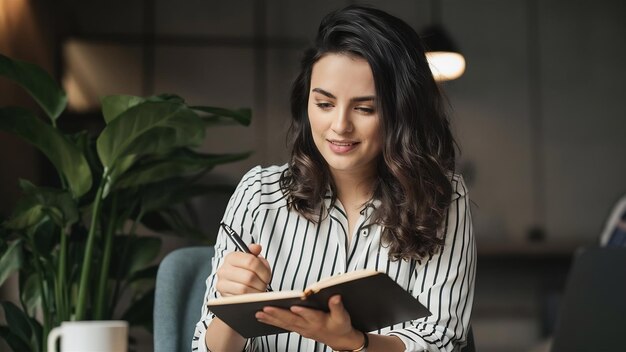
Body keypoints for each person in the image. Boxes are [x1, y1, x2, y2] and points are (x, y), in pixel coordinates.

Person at [193, 5, 475, 352]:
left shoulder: (441, 199)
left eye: (364, 109)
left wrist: (354, 343)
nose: (340, 126)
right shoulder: (258, 195)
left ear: (402, 113)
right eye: (324, 104)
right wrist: (231, 310)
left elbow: (441, 340)